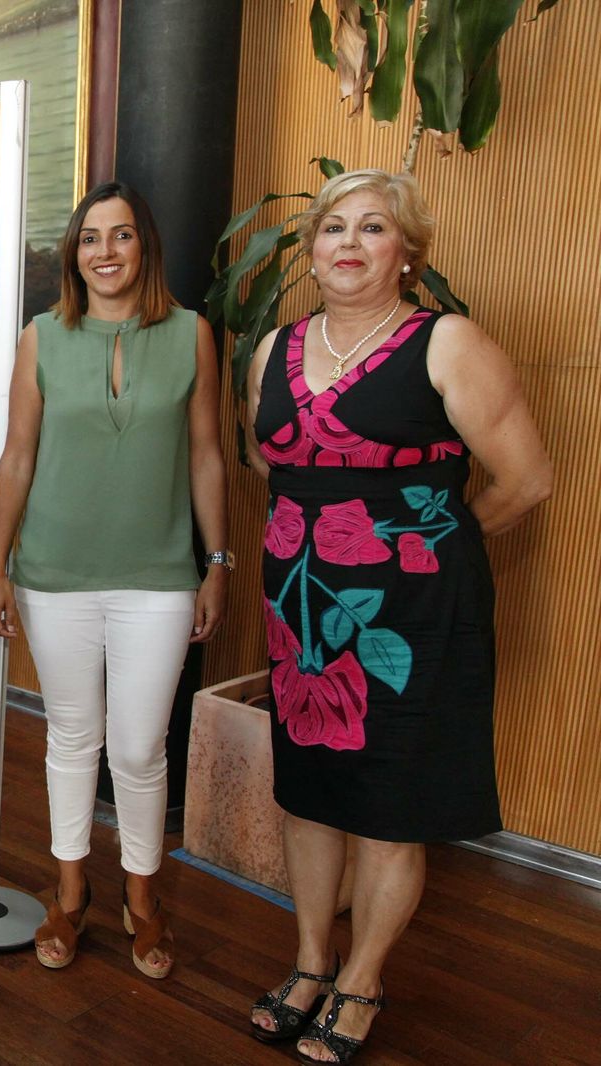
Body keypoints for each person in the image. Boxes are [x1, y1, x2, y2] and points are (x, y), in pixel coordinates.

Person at [244, 169, 551, 1063]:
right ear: (309, 251)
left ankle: (362, 980)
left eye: (371, 228)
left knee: (389, 808)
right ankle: (309, 963)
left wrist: (420, 548)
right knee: (309, 797)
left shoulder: (447, 343)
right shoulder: (275, 349)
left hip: (411, 622)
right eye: (332, 227)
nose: (347, 243)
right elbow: (277, 468)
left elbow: (527, 482)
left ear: (406, 253)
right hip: (303, 617)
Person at [0, 181, 229, 980]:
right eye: (91, 238)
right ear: (74, 253)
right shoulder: (42, 338)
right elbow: (18, 455)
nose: (106, 252)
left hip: (158, 576)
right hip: (53, 574)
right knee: (71, 738)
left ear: (144, 248)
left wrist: (217, 563)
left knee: (138, 747)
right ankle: (71, 892)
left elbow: (205, 457)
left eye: (121, 237)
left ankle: (144, 901)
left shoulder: (192, 333)